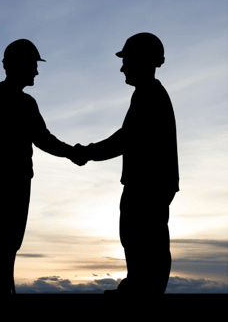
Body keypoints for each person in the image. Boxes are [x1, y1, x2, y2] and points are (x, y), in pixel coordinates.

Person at [0, 39, 86, 295]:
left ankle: (0, 291)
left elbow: (43, 139)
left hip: (18, 181)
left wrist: (71, 152)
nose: (37, 72)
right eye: (33, 65)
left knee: (9, 241)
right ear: (16, 65)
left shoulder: (26, 103)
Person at [73, 32, 179, 294]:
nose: (122, 67)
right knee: (142, 241)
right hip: (151, 184)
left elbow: (125, 139)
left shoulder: (149, 95)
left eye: (127, 59)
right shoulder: (149, 94)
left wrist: (87, 152)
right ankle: (138, 288)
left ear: (142, 60)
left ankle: (142, 292)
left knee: (142, 240)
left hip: (146, 185)